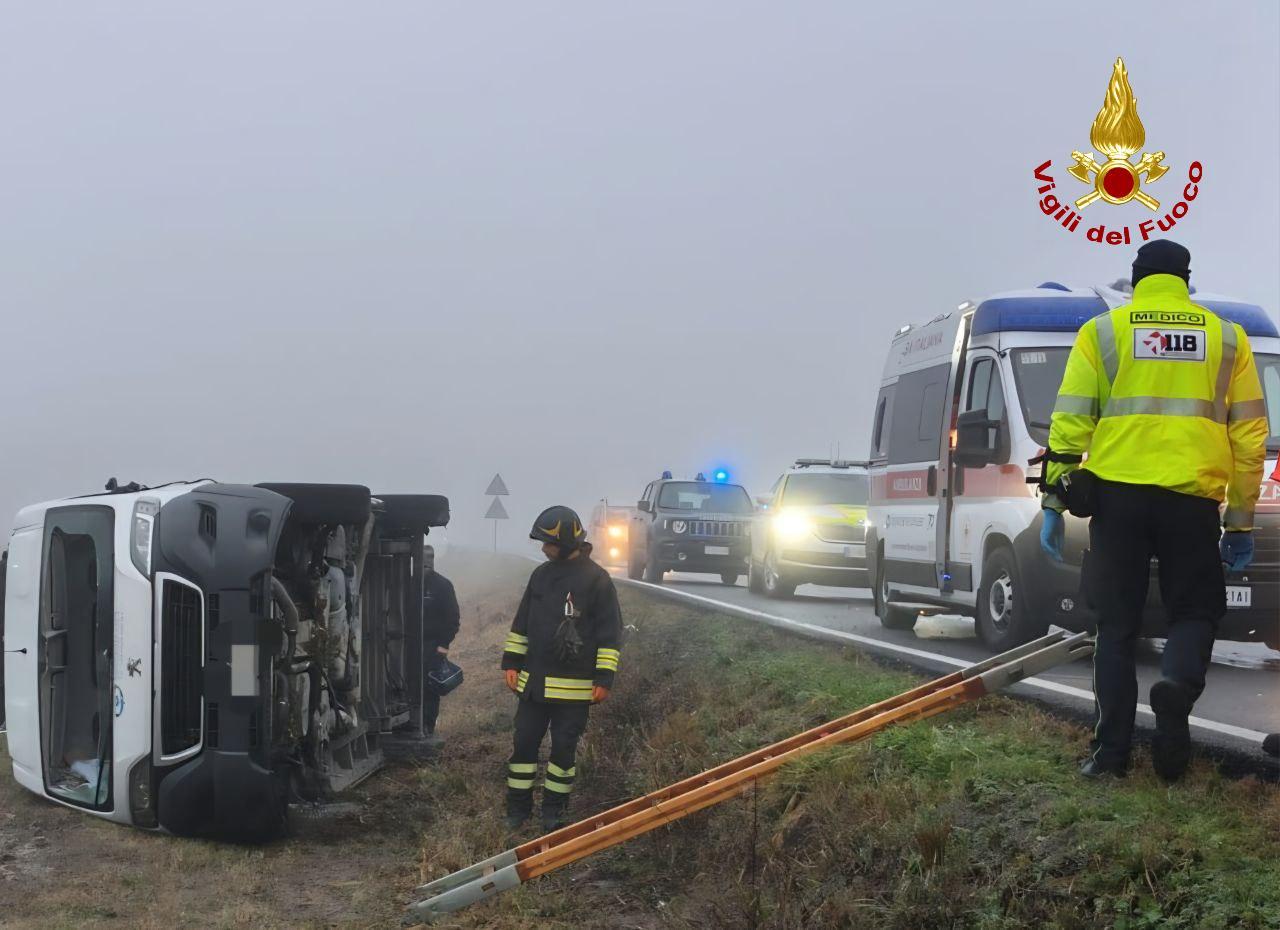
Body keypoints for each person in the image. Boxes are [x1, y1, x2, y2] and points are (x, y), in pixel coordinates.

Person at [1040, 239, 1267, 781]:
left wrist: (1052, 500)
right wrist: (1238, 521)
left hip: (1117, 501)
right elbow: (1250, 438)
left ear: (1136, 278)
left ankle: (1111, 758)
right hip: (1192, 503)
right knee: (1195, 611)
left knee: (1114, 627)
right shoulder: (1227, 339)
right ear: (1186, 280)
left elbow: (1069, 420)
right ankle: (1176, 692)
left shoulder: (1103, 332)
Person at [500, 506, 622, 832]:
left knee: (563, 753)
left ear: (567, 541)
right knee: (523, 745)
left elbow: (610, 635)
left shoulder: (597, 581)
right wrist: (511, 662)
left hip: (574, 689)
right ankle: (517, 811)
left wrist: (604, 678)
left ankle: (554, 814)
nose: (543, 548)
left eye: (548, 543)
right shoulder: (540, 575)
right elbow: (521, 623)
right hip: (533, 687)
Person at [421, 544, 460, 741]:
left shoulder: (443, 586)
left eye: (427, 564)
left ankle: (427, 725)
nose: (424, 568)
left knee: (430, 687)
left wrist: (443, 645)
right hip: (408, 645)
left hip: (432, 646)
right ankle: (414, 722)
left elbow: (452, 619)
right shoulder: (409, 582)